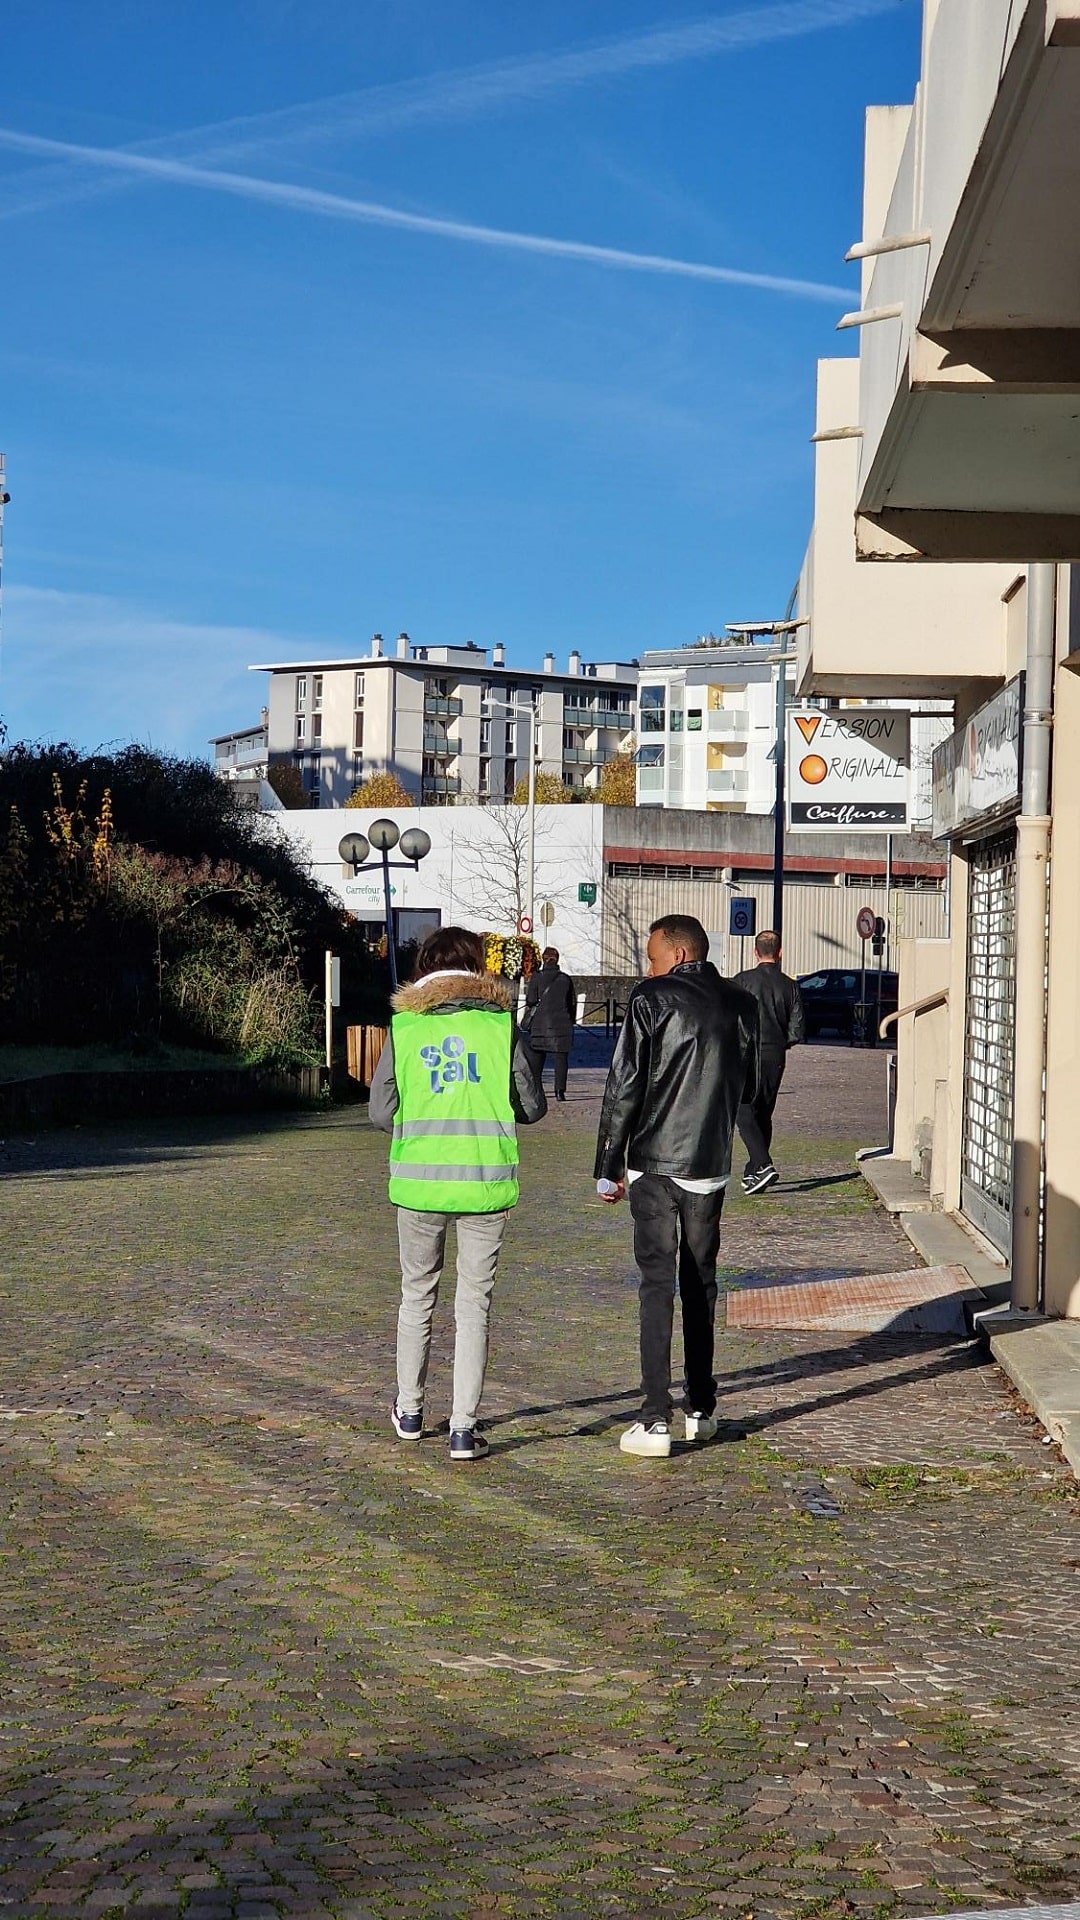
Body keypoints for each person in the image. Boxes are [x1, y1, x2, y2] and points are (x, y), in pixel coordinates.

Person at [369, 926, 546, 1462]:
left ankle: (410, 1409)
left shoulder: (404, 1027)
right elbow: (532, 1106)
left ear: (425, 968)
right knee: (475, 1304)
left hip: (420, 1183)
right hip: (484, 1182)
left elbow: (380, 1111)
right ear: (477, 967)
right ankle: (464, 1429)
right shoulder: (500, 1027)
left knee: (416, 1296)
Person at [594, 914, 758, 1459]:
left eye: (653, 955)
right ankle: (701, 1408)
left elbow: (624, 1085)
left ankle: (653, 1416)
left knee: (657, 1285)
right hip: (710, 1160)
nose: (649, 965)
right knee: (701, 1284)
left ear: (679, 953)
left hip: (656, 1163)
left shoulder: (651, 999)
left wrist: (608, 1163)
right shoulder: (742, 1002)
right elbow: (752, 1085)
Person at [733, 930, 805, 1196]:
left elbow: (730, 1019)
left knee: (743, 1109)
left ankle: (762, 1164)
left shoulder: (741, 981)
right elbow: (797, 1030)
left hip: (746, 1051)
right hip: (775, 1054)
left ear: (755, 951)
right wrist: (780, 1042)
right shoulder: (790, 986)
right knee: (763, 1112)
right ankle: (754, 1170)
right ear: (780, 952)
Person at [524, 946, 577, 1102]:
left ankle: (537, 1089)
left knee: (538, 1058)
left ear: (543, 959)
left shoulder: (537, 977)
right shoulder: (565, 979)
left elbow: (531, 1000)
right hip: (561, 1024)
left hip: (540, 1023)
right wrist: (570, 1020)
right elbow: (571, 1002)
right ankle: (559, 1092)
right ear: (557, 959)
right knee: (561, 1059)